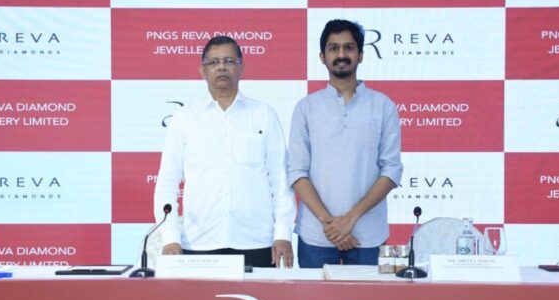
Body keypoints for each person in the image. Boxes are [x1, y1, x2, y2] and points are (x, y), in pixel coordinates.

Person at [153, 35, 295, 267]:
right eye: (214, 62)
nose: (221, 67)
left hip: (257, 242)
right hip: (198, 243)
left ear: (241, 68)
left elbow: (280, 180)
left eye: (229, 61)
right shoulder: (184, 118)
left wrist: (283, 233)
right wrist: (170, 237)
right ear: (203, 71)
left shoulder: (263, 114)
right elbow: (167, 182)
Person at [287, 19, 403, 268]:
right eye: (333, 48)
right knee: (313, 296)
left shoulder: (383, 106)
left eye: (348, 48)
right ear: (322, 57)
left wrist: (350, 219)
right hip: (316, 235)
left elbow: (391, 170)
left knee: (367, 296)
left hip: (367, 235)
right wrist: (331, 224)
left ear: (360, 55)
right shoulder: (306, 108)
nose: (341, 55)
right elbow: (297, 172)